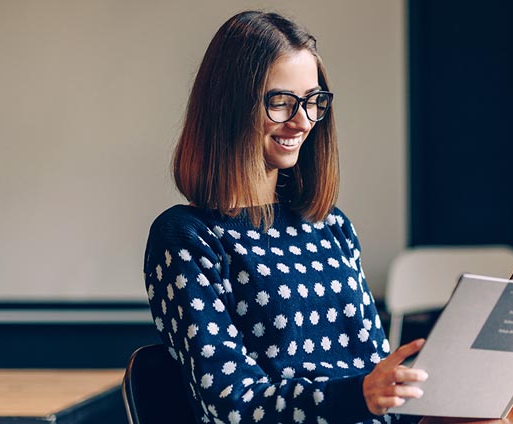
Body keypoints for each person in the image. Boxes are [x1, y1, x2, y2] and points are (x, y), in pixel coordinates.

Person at [143, 11, 427, 424]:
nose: (303, 121)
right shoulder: (187, 239)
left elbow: (376, 374)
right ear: (229, 108)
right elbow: (232, 405)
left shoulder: (332, 227)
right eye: (280, 102)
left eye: (313, 101)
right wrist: (360, 396)